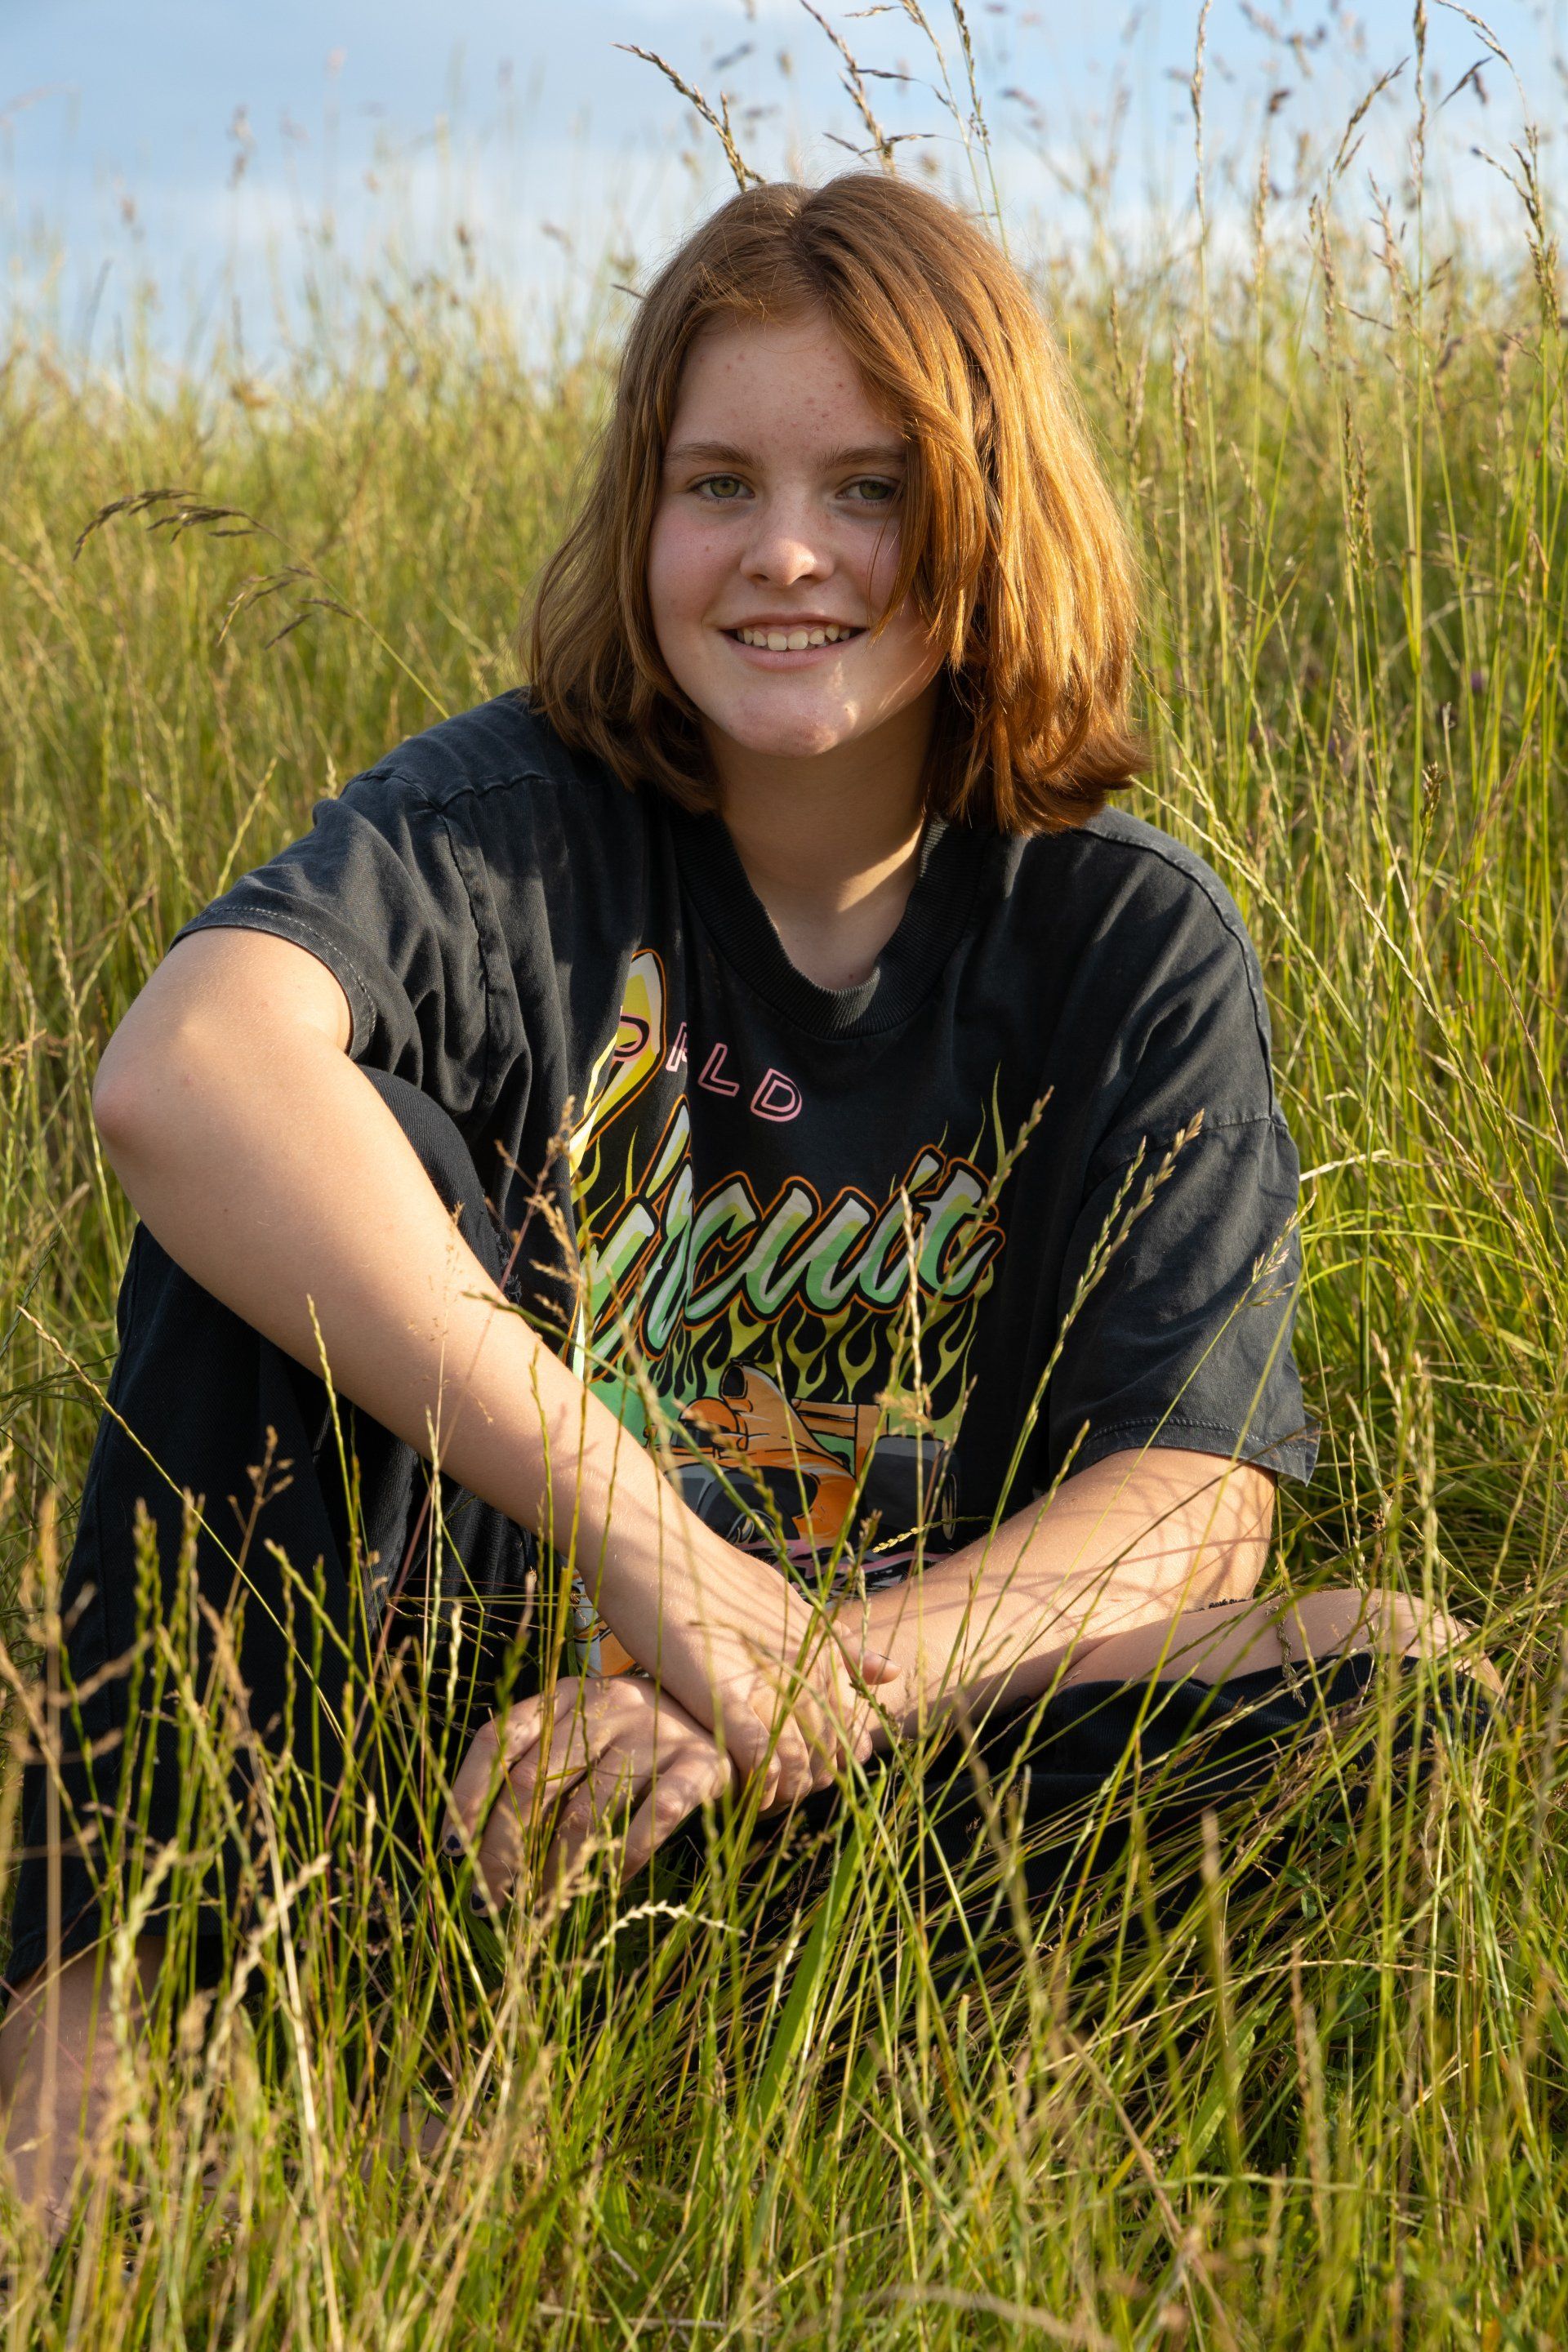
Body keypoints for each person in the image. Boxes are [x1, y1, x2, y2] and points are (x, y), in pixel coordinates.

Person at [0, 173, 1497, 2225]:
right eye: (720, 481)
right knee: (305, 1187)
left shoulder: (1121, 939)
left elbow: (1194, 1492)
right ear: (644, 519)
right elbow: (186, 1070)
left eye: (870, 487)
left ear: (987, 518)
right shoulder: (505, 837)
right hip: (440, 1756)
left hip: (841, 1775)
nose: (788, 553)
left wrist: (799, 1678)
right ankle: (110, 2036)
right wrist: (643, 1547)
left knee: (1393, 1668)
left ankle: (684, 2086)